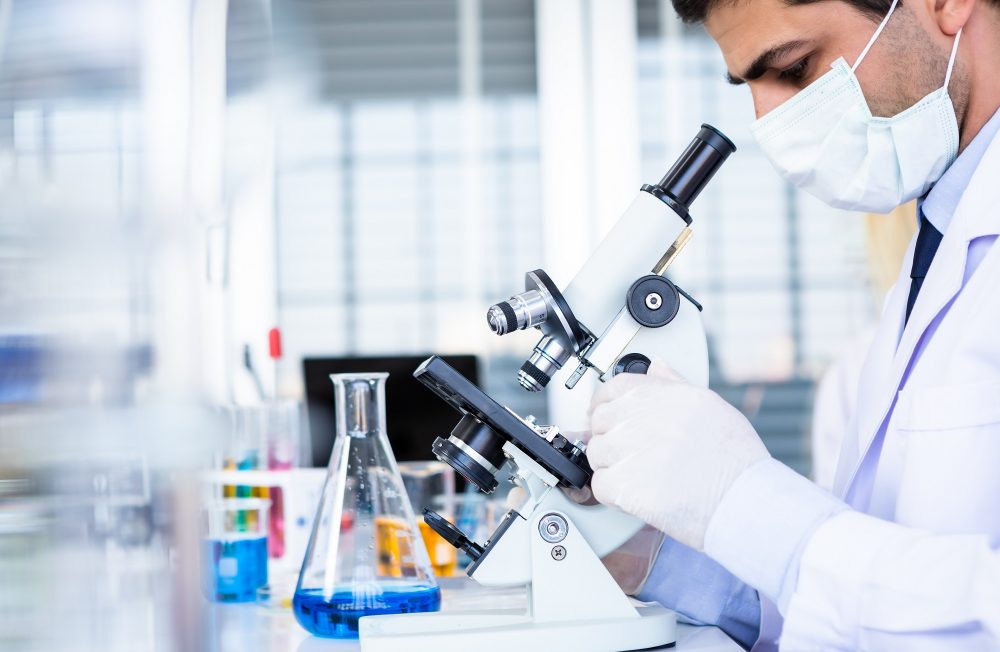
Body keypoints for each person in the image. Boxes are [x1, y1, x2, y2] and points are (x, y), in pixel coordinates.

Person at [584, 0, 1000, 648]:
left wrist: (750, 506)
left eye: (793, 67)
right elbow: (863, 606)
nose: (768, 124)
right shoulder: (939, 242)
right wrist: (662, 557)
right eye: (748, 85)